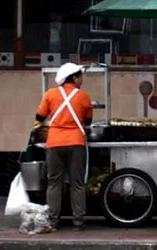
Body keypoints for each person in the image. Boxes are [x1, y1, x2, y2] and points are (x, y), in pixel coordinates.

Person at [34, 62, 93, 231]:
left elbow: (39, 116)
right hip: (76, 143)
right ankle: (78, 222)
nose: (82, 79)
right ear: (74, 78)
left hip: (54, 143)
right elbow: (87, 121)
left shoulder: (50, 94)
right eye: (80, 76)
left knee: (54, 182)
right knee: (77, 183)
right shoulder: (84, 97)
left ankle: (53, 221)